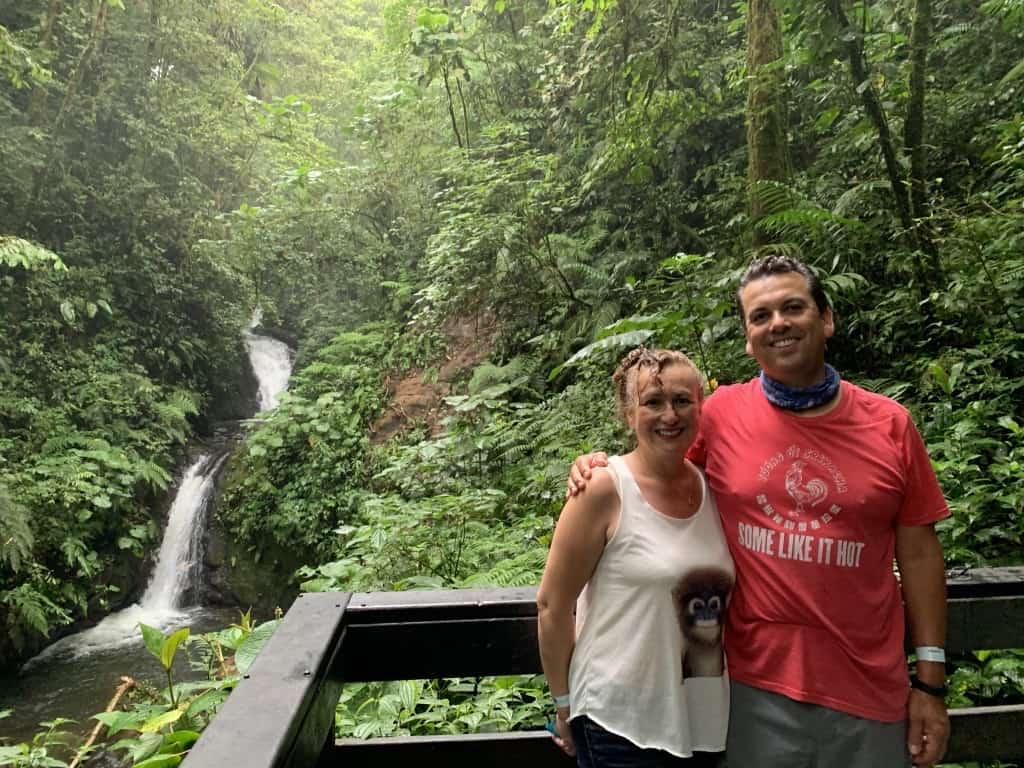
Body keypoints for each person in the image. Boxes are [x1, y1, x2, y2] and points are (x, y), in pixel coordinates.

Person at [568, 255, 951, 768]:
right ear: (749, 339)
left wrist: (930, 681)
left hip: (870, 691)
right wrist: (597, 467)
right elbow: (656, 466)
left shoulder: (890, 425)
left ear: (827, 318)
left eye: (793, 307)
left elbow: (921, 555)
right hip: (751, 690)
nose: (778, 324)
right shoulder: (720, 415)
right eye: (760, 316)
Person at [537, 348, 734, 768]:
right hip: (619, 719)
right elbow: (552, 605)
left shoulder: (713, 489)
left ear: (700, 407)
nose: (670, 415)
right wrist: (563, 702)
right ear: (629, 414)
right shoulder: (604, 489)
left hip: (700, 718)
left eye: (682, 401)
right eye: (652, 403)